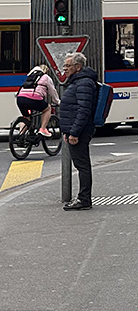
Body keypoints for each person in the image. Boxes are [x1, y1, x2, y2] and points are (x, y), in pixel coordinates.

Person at [58, 52, 97, 211]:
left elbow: (83, 110)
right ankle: (83, 198)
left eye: (68, 66)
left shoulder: (84, 83)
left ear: (78, 67)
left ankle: (84, 199)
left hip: (79, 131)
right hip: (75, 130)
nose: (65, 69)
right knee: (81, 164)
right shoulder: (78, 82)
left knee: (82, 165)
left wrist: (74, 133)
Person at [15, 64, 59, 137]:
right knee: (47, 109)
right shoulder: (46, 78)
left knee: (26, 118)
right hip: (34, 98)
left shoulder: (29, 77)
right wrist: (57, 101)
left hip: (20, 98)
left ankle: (21, 136)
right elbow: (52, 92)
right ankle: (43, 129)